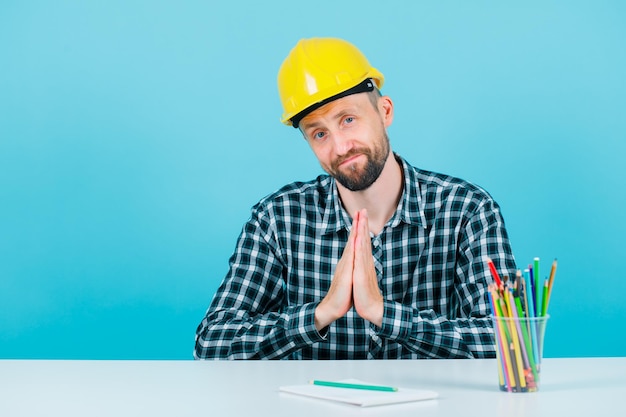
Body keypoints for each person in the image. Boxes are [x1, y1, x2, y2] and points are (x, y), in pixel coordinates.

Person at [194, 37, 517, 360]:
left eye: (348, 120)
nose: (340, 147)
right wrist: (320, 314)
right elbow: (212, 343)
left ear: (385, 111)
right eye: (319, 133)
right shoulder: (278, 219)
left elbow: (511, 338)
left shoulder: (466, 210)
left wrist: (383, 313)